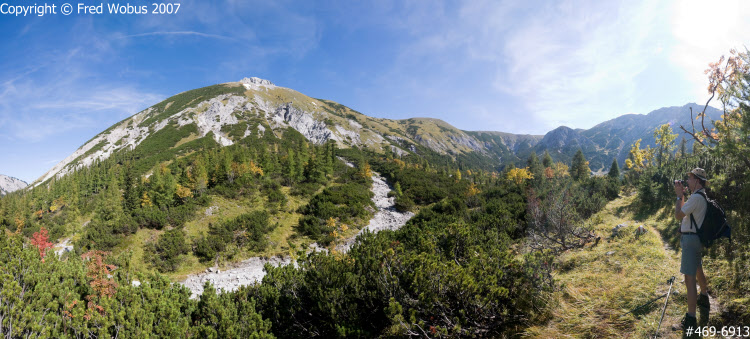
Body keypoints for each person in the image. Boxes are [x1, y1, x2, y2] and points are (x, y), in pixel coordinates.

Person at [672, 168, 711, 334]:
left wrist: (679, 196)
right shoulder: (700, 196)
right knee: (697, 268)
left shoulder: (695, 198)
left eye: (690, 178)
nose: (687, 181)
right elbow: (685, 212)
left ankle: (691, 319)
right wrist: (683, 196)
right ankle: (704, 297)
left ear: (697, 180)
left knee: (689, 279)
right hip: (695, 239)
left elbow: (678, 215)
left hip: (690, 240)